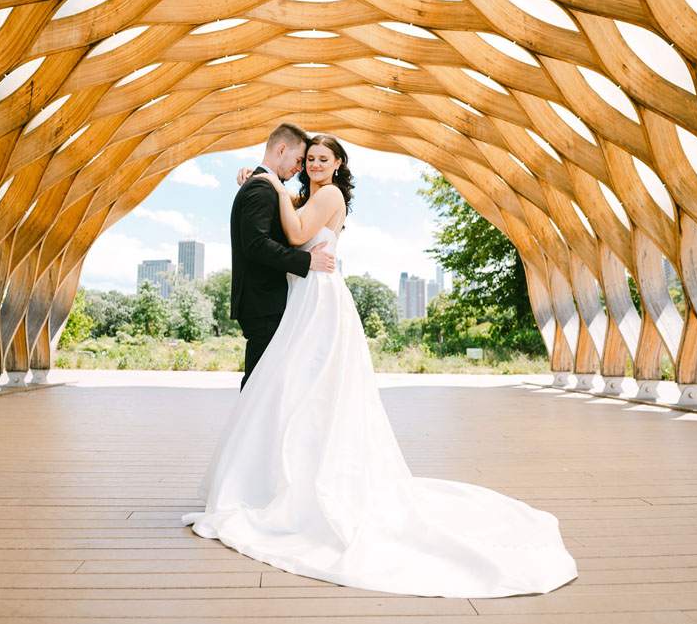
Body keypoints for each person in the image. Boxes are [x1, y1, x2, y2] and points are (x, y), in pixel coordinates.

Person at [183, 135, 578, 598]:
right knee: (295, 389)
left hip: (317, 297)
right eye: (309, 158)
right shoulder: (308, 195)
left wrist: (270, 183)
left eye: (321, 159)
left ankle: (288, 480)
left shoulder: (326, 195)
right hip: (307, 295)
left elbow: (292, 234)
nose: (312, 165)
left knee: (301, 385)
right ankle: (282, 473)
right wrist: (271, 184)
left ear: (338, 164)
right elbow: (294, 216)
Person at [229, 123, 335, 390]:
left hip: (270, 301)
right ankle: (246, 432)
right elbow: (256, 245)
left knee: (266, 383)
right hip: (263, 302)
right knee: (259, 385)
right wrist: (307, 261)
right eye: (302, 159)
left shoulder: (269, 187)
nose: (302, 168)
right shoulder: (261, 189)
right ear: (282, 149)